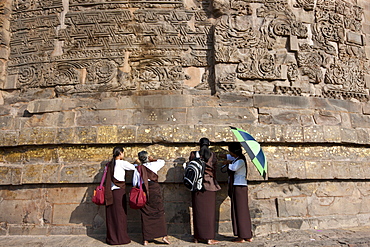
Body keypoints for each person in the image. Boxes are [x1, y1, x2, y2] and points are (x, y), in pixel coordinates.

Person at [132, 151, 170, 246]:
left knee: (145, 214)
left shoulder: (138, 169)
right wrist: (153, 159)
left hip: (144, 191)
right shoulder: (153, 165)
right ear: (148, 158)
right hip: (154, 191)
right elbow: (162, 162)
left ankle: (146, 239)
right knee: (159, 211)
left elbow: (135, 183)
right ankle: (163, 236)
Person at [188, 137, 221, 245]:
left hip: (196, 186)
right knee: (209, 213)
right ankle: (209, 238)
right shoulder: (212, 155)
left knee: (198, 212)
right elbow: (214, 169)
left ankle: (197, 237)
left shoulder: (193, 154)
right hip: (209, 185)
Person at [104, 146, 136, 245]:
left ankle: (112, 238)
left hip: (110, 193)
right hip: (119, 193)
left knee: (112, 216)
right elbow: (134, 168)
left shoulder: (109, 165)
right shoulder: (122, 163)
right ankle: (121, 238)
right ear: (120, 153)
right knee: (120, 216)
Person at [224, 142, 253, 243]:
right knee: (241, 211)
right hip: (239, 186)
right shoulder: (237, 158)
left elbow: (233, 167)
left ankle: (242, 236)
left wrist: (227, 163)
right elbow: (231, 158)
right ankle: (246, 235)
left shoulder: (240, 160)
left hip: (239, 186)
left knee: (240, 211)